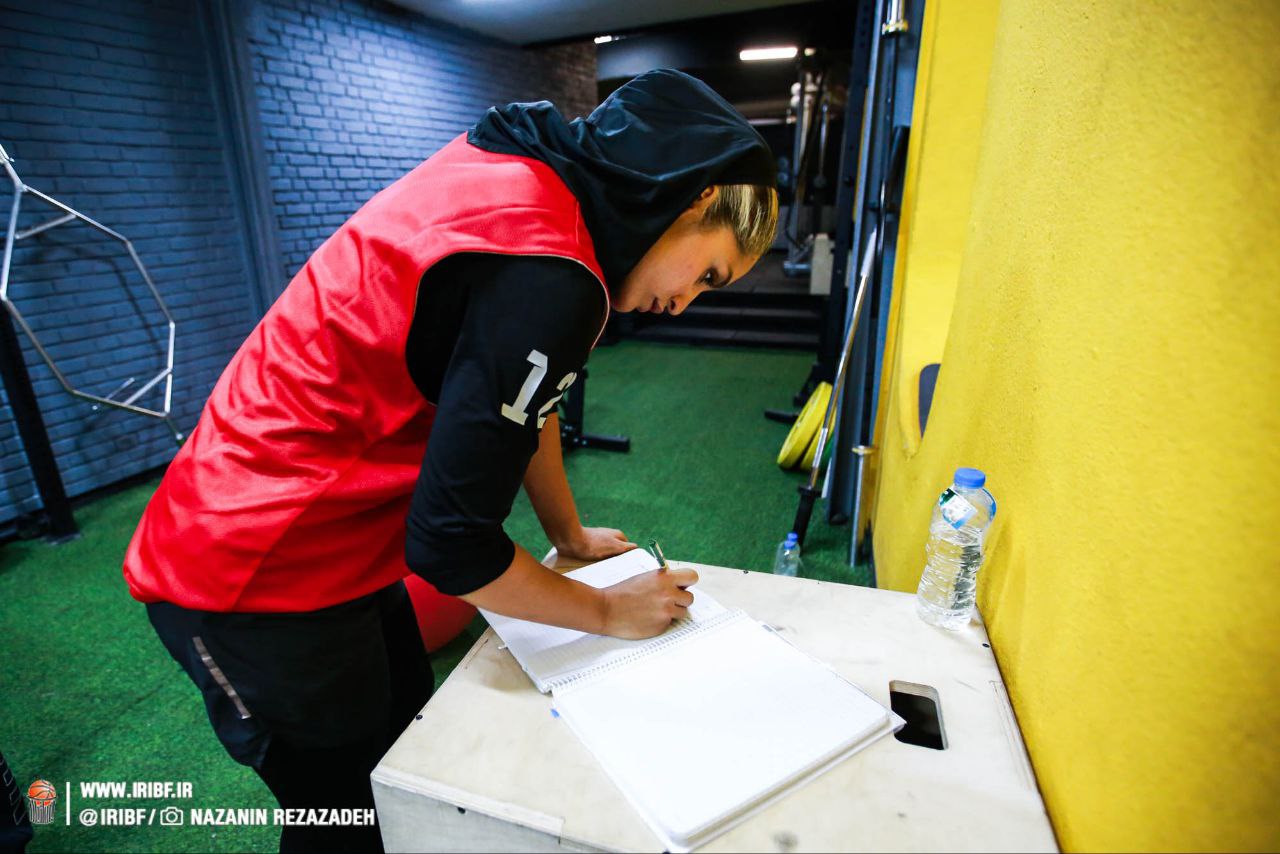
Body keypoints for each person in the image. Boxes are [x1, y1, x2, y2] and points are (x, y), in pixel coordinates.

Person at [123, 68, 777, 852]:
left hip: (339, 538)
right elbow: (452, 547)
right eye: (707, 274)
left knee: (408, 744)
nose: (686, 302)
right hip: (246, 565)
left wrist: (567, 534)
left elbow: (528, 398)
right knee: (345, 813)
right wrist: (608, 611)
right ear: (696, 198)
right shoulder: (551, 271)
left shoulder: (529, 177)